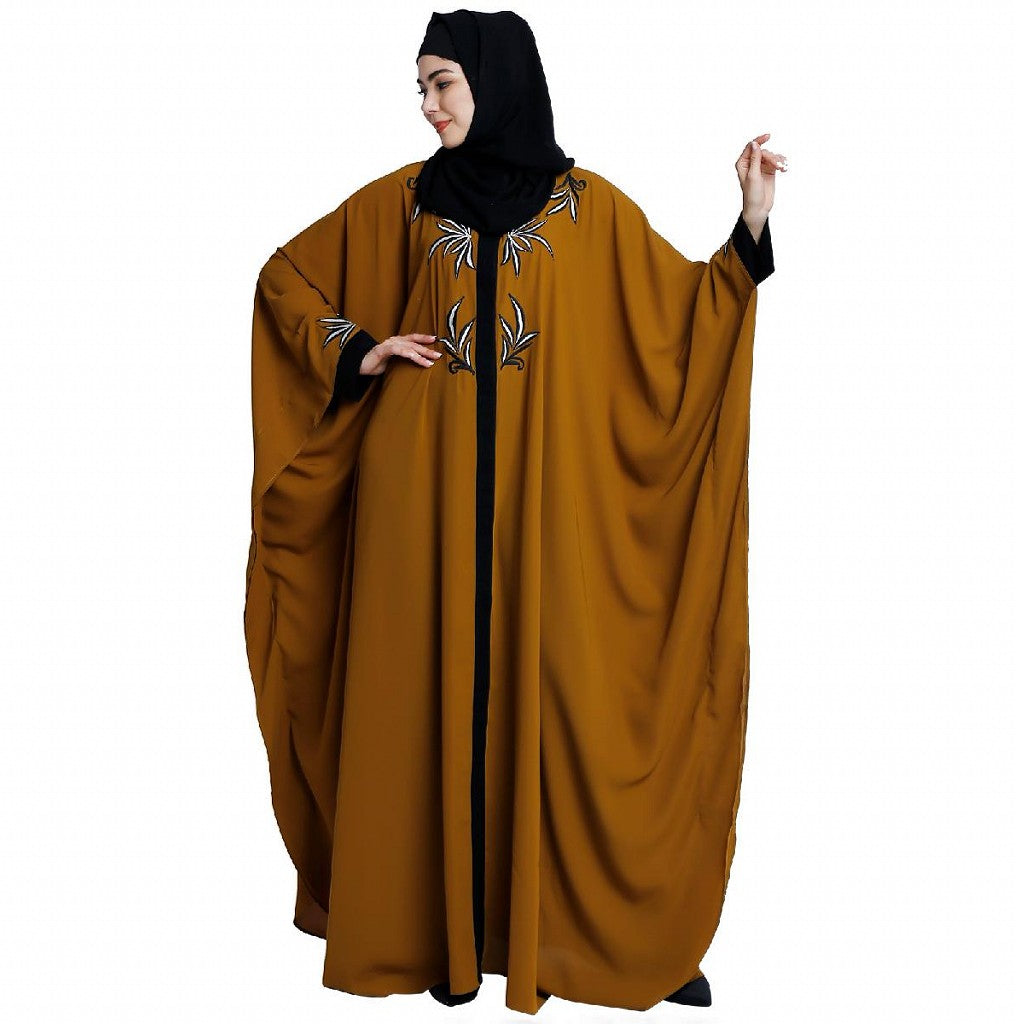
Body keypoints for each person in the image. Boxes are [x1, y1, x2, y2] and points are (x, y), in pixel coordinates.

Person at [244, 8, 785, 1017]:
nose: (427, 104)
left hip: (549, 510)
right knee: (426, 705)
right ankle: (435, 935)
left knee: (566, 705)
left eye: (442, 82)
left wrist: (749, 223)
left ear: (498, 81)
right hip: (420, 513)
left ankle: (601, 936)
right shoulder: (405, 203)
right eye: (420, 87)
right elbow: (286, 278)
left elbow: (684, 321)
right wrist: (359, 348)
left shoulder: (589, 210)